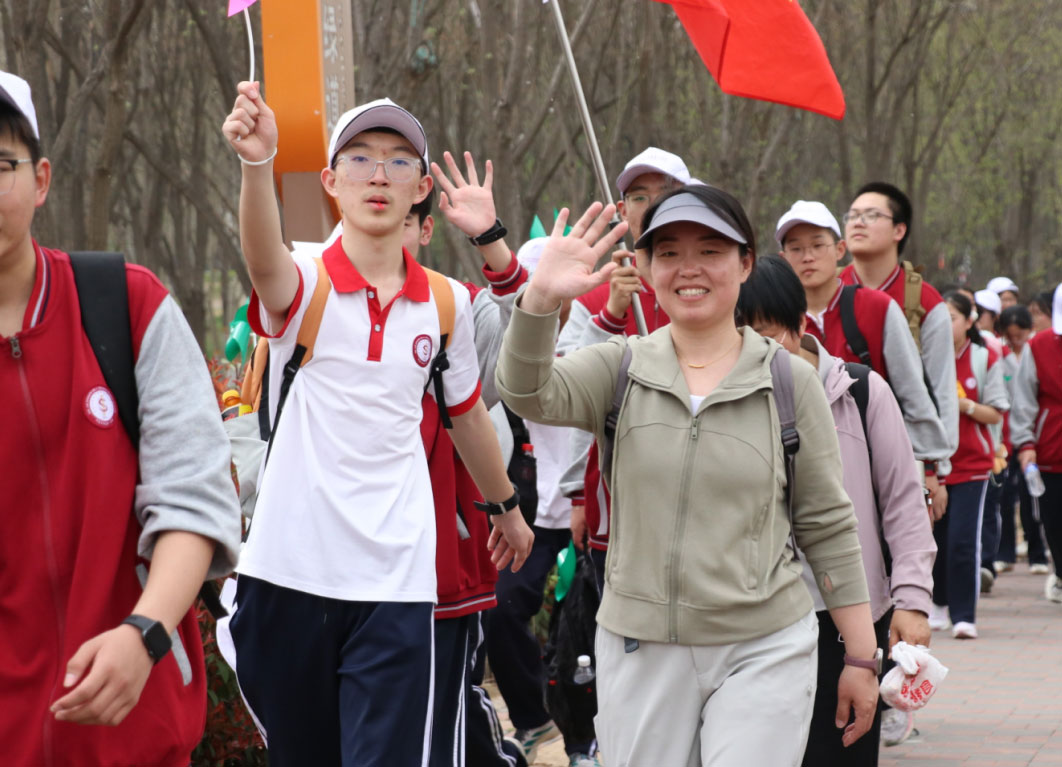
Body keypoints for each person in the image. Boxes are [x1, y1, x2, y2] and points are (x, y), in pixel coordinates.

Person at [497, 185, 879, 765]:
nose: (689, 268)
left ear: (745, 263)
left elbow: (826, 526)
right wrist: (541, 297)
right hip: (640, 647)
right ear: (647, 268)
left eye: (711, 249)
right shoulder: (618, 366)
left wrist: (861, 657)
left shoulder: (790, 383)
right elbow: (524, 390)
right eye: (668, 252)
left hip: (765, 647)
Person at [221, 82, 533, 765]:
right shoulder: (304, 282)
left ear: (423, 187)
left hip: (395, 581)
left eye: (398, 161)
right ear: (332, 181)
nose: (379, 175)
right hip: (288, 574)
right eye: (360, 158)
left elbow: (468, 418)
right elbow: (261, 258)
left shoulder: (446, 304)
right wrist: (256, 164)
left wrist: (505, 506)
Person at [1, 70, 242, 765]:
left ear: (41, 179)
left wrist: (146, 633)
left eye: (0, 165)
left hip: (139, 732)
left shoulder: (126, 306)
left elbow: (195, 499)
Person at [737, 254, 935, 767]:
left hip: (846, 620)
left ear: (802, 325)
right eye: (740, 338)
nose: (754, 352)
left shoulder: (861, 392)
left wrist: (911, 599)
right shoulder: (729, 400)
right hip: (755, 624)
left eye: (767, 334)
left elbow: (903, 505)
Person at [558, 147, 690, 585]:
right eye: (638, 196)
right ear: (621, 210)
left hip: (701, 506)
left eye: (666, 192)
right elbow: (565, 392)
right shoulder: (596, 296)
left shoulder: (712, 287)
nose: (651, 204)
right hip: (616, 509)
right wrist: (577, 493)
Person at [774, 200, 951, 506]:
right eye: (796, 249)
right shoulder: (773, 317)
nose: (808, 257)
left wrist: (930, 469)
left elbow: (912, 393)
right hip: (799, 475)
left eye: (818, 245)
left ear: (840, 249)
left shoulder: (876, 308)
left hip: (876, 469)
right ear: (782, 257)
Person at [838, 182, 959, 519]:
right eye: (853, 216)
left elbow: (941, 391)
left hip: (902, 458)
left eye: (871, 215)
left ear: (899, 230)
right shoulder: (826, 290)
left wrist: (935, 469)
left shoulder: (925, 303)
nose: (858, 222)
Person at [929, 291, 1008, 638]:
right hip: (935, 463)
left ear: (969, 321)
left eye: (952, 317)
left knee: (963, 541)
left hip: (973, 464)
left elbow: (996, 411)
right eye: (940, 317)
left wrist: (964, 406)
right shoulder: (926, 355)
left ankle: (964, 615)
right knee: (934, 541)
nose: (946, 324)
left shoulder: (984, 355)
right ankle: (936, 604)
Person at [1011, 284, 1062, 603]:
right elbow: (1024, 399)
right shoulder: (1040, 345)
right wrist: (1025, 442)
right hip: (1050, 446)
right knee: (1054, 518)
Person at [994, 305, 1049, 575]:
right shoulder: (999, 355)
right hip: (1004, 437)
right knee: (1004, 496)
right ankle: (1005, 552)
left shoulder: (1037, 350)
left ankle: (1037, 551)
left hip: (1031, 436)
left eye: (1021, 334)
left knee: (1031, 496)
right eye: (1011, 335)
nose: (1016, 340)